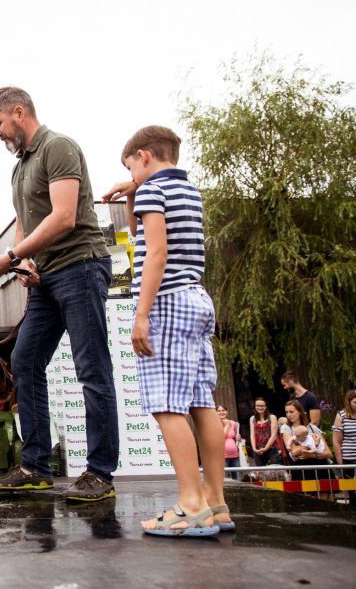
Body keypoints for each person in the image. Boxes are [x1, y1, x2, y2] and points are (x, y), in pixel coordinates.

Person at [0, 86, 118, 502]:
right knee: (24, 359)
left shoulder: (59, 148)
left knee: (91, 366)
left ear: (19, 113)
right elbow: (25, 221)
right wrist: (24, 262)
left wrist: (10, 257)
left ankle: (100, 472)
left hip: (81, 267)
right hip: (47, 276)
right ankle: (34, 466)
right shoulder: (20, 167)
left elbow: (65, 216)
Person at [102, 125, 227, 536]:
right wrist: (135, 192)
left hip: (167, 302)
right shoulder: (188, 190)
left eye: (131, 167)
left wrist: (141, 314)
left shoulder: (155, 190)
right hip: (196, 297)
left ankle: (190, 505)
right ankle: (215, 502)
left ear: (144, 156)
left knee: (167, 405)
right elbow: (147, 234)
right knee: (200, 401)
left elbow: (153, 251)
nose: (131, 176)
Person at [280, 400, 331, 482]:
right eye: (287, 412)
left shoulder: (312, 428)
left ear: (300, 412)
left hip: (320, 467)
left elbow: (328, 453)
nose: (288, 415)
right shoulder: (286, 428)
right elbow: (294, 451)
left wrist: (312, 455)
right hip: (301, 469)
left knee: (324, 491)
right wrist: (314, 445)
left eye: (291, 412)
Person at [331, 389, 356, 504]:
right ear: (349, 402)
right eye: (355, 402)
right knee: (352, 492)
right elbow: (336, 441)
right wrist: (340, 462)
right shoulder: (341, 415)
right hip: (349, 458)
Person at [249, 398, 282, 466]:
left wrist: (266, 448)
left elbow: (274, 435)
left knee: (274, 472)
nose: (260, 407)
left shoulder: (272, 417)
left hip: (271, 449)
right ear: (255, 406)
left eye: (262, 406)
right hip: (258, 450)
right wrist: (254, 449)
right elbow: (252, 435)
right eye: (258, 405)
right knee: (260, 473)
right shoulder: (252, 418)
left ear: (266, 406)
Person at [217, 405, 242, 480]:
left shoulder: (233, 423)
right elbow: (221, 437)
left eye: (223, 410)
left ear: (227, 412)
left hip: (235, 456)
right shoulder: (215, 424)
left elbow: (235, 438)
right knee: (225, 479)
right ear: (215, 412)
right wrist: (227, 425)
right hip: (222, 457)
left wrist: (239, 438)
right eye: (219, 411)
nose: (221, 412)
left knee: (238, 479)